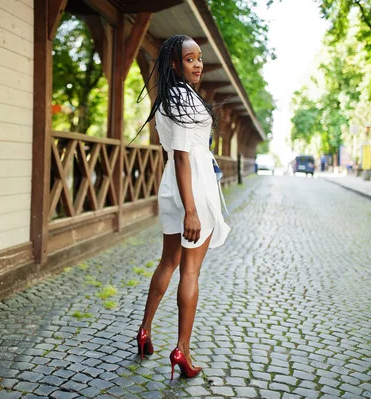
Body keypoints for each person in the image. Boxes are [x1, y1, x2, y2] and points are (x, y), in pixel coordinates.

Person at [135, 35, 230, 380]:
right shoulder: (182, 100)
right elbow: (182, 156)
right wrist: (192, 209)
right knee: (189, 271)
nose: (198, 64)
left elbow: (179, 156)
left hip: (173, 187)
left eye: (199, 58)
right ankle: (182, 351)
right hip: (193, 190)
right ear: (175, 64)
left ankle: (144, 330)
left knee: (169, 261)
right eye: (190, 59)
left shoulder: (171, 98)